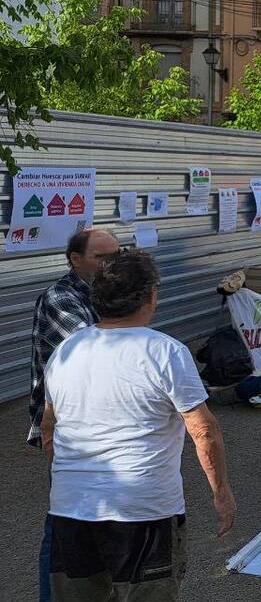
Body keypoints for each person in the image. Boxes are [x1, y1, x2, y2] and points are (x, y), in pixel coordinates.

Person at [42, 250, 236, 600]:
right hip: (143, 509)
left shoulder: (66, 350)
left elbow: (48, 430)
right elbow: (204, 431)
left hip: (71, 509)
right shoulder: (166, 352)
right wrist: (221, 493)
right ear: (151, 296)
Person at [29, 227, 119, 602]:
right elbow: (100, 351)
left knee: (105, 521)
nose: (111, 264)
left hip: (106, 425)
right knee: (66, 524)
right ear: (75, 259)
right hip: (68, 428)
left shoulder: (110, 294)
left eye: (116, 255)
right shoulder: (59, 298)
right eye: (101, 257)